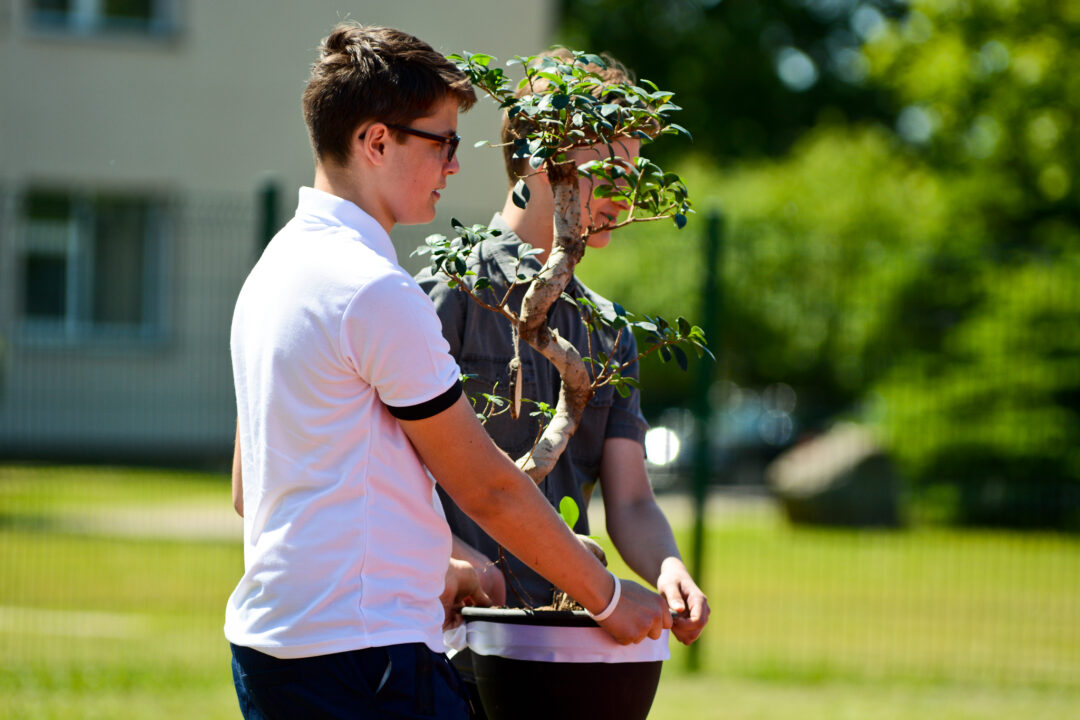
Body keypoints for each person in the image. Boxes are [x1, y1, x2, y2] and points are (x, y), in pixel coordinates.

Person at [226, 25, 672, 720]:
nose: (457, 166)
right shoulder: (375, 290)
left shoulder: (274, 270)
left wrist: (439, 560)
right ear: (377, 142)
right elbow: (485, 486)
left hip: (276, 653)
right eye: (442, 143)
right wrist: (608, 598)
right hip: (365, 660)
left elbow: (247, 486)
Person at [417, 49, 710, 713]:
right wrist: (455, 557)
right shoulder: (444, 296)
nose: (622, 196)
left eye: (634, 175)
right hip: (445, 639)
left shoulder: (609, 332)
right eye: (607, 170)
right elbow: (388, 477)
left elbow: (631, 501)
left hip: (562, 644)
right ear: (539, 157)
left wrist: (668, 566)